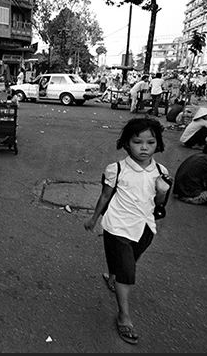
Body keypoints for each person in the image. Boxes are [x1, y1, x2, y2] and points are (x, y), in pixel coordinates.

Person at [84, 117, 171, 346]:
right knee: (127, 271)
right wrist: (94, 219)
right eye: (137, 141)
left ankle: (113, 276)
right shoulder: (117, 169)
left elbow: (160, 203)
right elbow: (105, 195)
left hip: (146, 227)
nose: (144, 147)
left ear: (158, 144)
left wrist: (162, 191)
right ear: (126, 144)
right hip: (118, 226)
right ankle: (124, 316)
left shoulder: (161, 171)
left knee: (128, 262)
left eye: (150, 142)